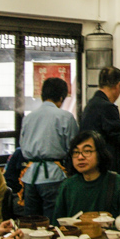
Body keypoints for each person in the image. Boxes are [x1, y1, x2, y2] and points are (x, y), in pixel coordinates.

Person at [20, 77, 78, 220]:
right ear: (61, 97)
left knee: (31, 224)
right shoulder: (65, 117)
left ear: (42, 95)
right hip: (54, 176)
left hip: (30, 177)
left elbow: (22, 146)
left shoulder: (28, 117)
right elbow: (74, 148)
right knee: (53, 222)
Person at [52, 130, 120, 224]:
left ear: (100, 154)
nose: (80, 157)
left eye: (87, 151)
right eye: (76, 152)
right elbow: (57, 225)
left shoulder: (119, 183)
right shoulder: (67, 186)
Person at [81, 67, 120, 176]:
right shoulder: (106, 107)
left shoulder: (90, 105)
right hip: (104, 169)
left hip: (90, 166)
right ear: (118, 85)